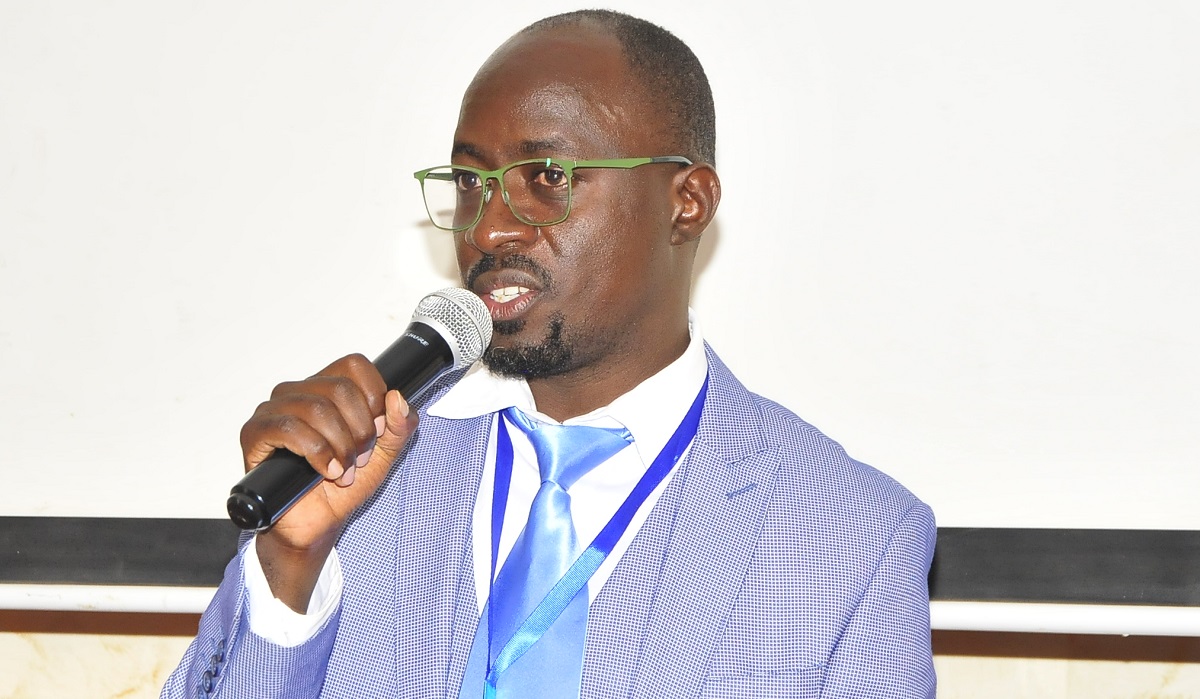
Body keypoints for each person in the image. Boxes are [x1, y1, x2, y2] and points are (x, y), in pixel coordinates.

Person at [163, 9, 936, 699]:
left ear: (687, 203)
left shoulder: (854, 537)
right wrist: (290, 567)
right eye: (471, 183)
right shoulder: (355, 472)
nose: (489, 230)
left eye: (547, 178)